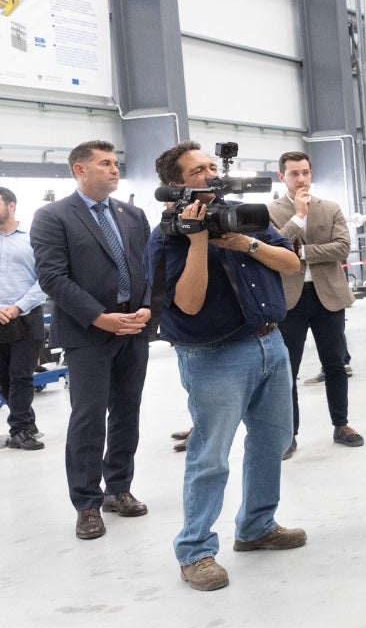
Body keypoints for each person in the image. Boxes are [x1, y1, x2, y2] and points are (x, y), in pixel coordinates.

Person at [148, 141, 307, 591]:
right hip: (214, 354)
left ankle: (257, 526)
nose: (211, 175)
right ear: (175, 185)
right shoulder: (167, 234)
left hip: (268, 343)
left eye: (213, 166)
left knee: (272, 439)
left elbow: (291, 262)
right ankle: (195, 550)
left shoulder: (242, 214)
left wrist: (244, 242)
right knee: (211, 454)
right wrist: (199, 243)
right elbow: (189, 303)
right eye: (198, 170)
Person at [31, 141, 153, 540]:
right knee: (88, 417)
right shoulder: (53, 217)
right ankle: (87, 503)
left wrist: (148, 307)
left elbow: (149, 269)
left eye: (116, 163)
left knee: (127, 411)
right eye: (105, 164)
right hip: (88, 333)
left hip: (133, 328)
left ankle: (119, 488)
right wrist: (99, 318)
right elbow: (53, 277)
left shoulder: (132, 215)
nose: (114, 170)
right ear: (80, 170)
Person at [266, 151, 363, 459]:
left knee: (335, 364)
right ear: (282, 176)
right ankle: (288, 434)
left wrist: (302, 252)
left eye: (305, 172)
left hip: (328, 298)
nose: (301, 179)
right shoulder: (269, 212)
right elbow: (271, 248)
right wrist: (298, 218)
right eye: (294, 173)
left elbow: (342, 248)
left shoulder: (331, 208)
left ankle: (342, 424)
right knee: (287, 371)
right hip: (289, 301)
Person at [0, 187, 49, 451]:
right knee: (4, 378)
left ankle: (18, 430)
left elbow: (46, 278)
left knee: (20, 375)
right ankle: (27, 423)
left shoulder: (33, 238)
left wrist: (18, 306)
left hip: (28, 316)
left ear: (11, 205)